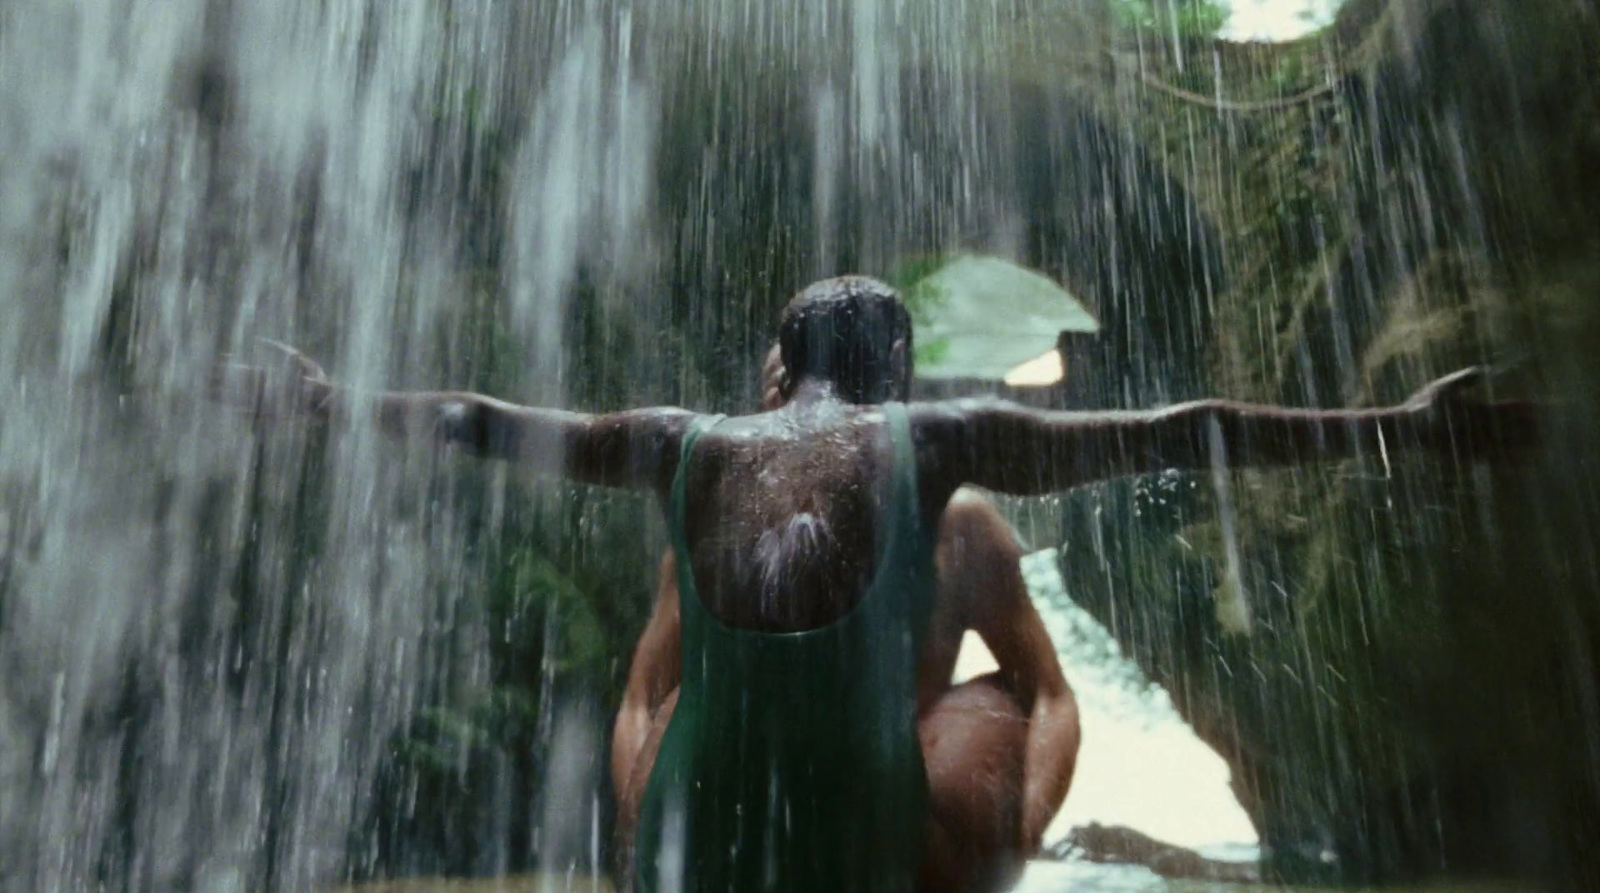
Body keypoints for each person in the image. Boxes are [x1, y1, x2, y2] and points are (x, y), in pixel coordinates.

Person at [220, 275, 1534, 893]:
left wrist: (330, 404)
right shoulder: (938, 445)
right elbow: (1184, 427)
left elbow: (479, 417)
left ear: (776, 372)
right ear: (899, 378)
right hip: (860, 846)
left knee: (675, 677)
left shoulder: (683, 445)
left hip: (685, 845)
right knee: (988, 707)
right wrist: (1398, 426)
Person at [609, 344, 1080, 893]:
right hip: (740, 802)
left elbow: (1050, 696)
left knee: (997, 705)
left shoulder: (960, 530)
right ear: (768, 406)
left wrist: (1025, 828)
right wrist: (640, 831)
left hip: (900, 817)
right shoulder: (721, 528)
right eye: (789, 387)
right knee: (676, 705)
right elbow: (641, 701)